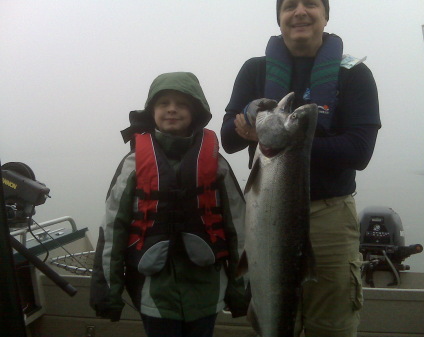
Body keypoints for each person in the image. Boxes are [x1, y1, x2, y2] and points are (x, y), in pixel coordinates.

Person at [221, 1, 381, 336]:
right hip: (267, 216)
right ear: (279, 17)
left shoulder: (353, 74)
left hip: (330, 216)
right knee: (274, 315)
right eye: (289, 5)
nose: (300, 12)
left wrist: (284, 141)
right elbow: (229, 138)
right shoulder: (255, 71)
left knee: (332, 324)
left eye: (311, 3)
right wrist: (251, 114)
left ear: (326, 15)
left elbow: (360, 151)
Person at [90, 72, 248, 337]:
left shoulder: (216, 165)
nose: (172, 109)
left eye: (182, 103)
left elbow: (240, 230)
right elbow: (112, 230)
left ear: (195, 111)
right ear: (152, 111)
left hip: (206, 291)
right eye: (163, 103)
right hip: (153, 292)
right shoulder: (132, 165)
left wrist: (240, 287)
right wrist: (108, 291)